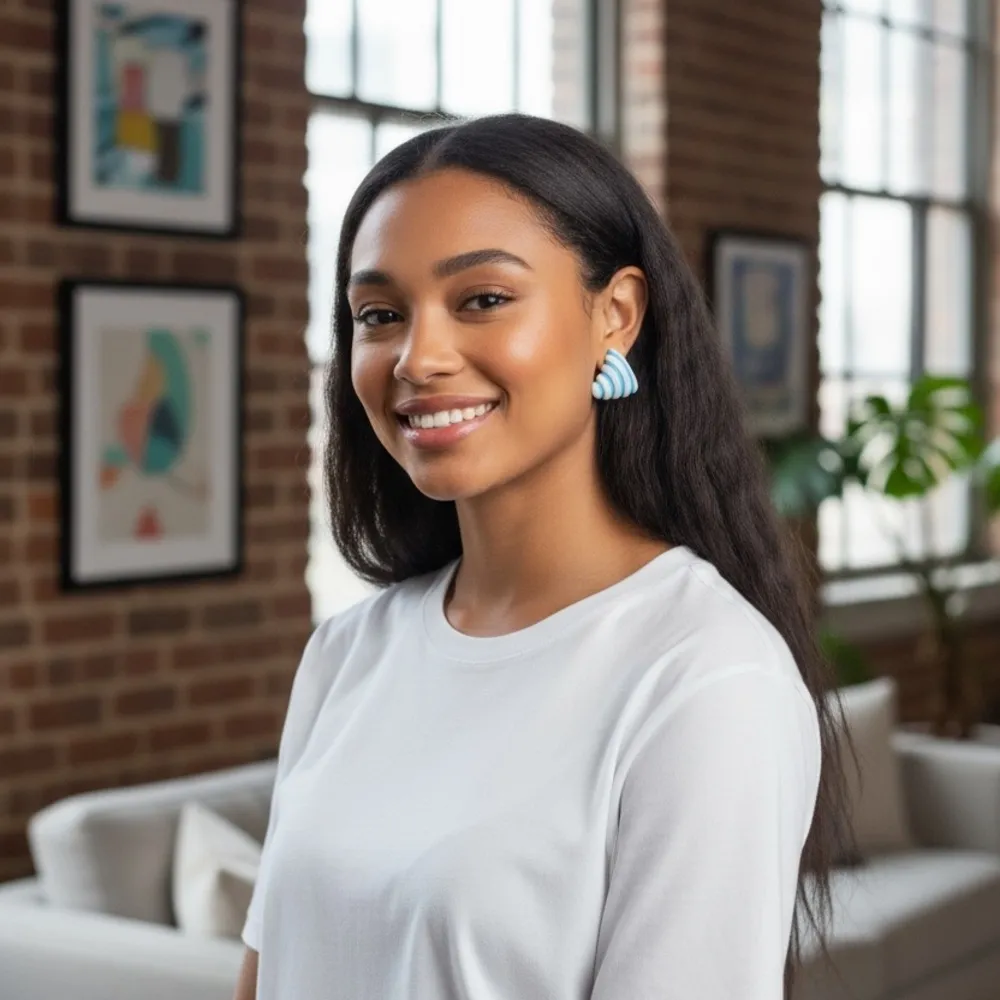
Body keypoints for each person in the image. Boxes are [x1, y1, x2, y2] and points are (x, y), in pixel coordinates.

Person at [234, 113, 848, 1000]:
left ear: (617, 315)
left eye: (482, 299)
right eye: (379, 314)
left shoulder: (706, 678)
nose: (419, 356)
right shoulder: (348, 655)